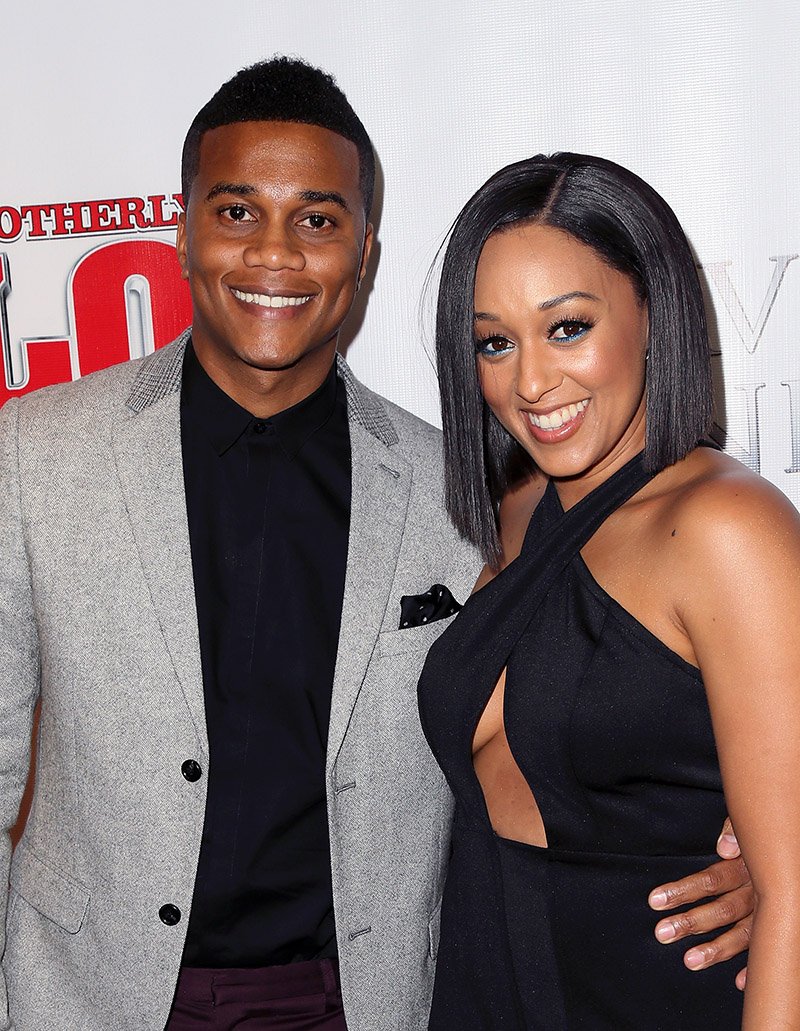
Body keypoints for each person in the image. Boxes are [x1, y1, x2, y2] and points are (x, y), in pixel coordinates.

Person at [0, 62, 750, 1031]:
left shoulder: (467, 492)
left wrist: (749, 858)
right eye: (236, 212)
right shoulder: (35, 454)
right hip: (87, 995)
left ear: (363, 253)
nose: (273, 254)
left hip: (364, 999)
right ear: (182, 230)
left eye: (316, 220)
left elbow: (588, 722)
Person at [418, 152, 800, 1028]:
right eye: (494, 342)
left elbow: (794, 898)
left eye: (567, 327)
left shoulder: (728, 530)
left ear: (651, 311)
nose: (531, 383)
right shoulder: (520, 512)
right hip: (492, 991)